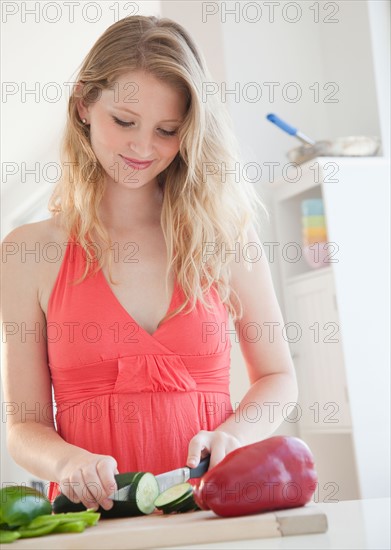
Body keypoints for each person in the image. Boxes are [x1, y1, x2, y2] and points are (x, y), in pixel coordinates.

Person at [1, 15, 298, 512]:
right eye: (124, 122)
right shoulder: (28, 252)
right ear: (84, 106)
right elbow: (24, 427)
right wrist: (66, 463)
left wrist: (234, 435)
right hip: (90, 526)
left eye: (167, 130)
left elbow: (278, 377)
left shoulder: (225, 234)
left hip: (211, 514)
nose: (142, 148)